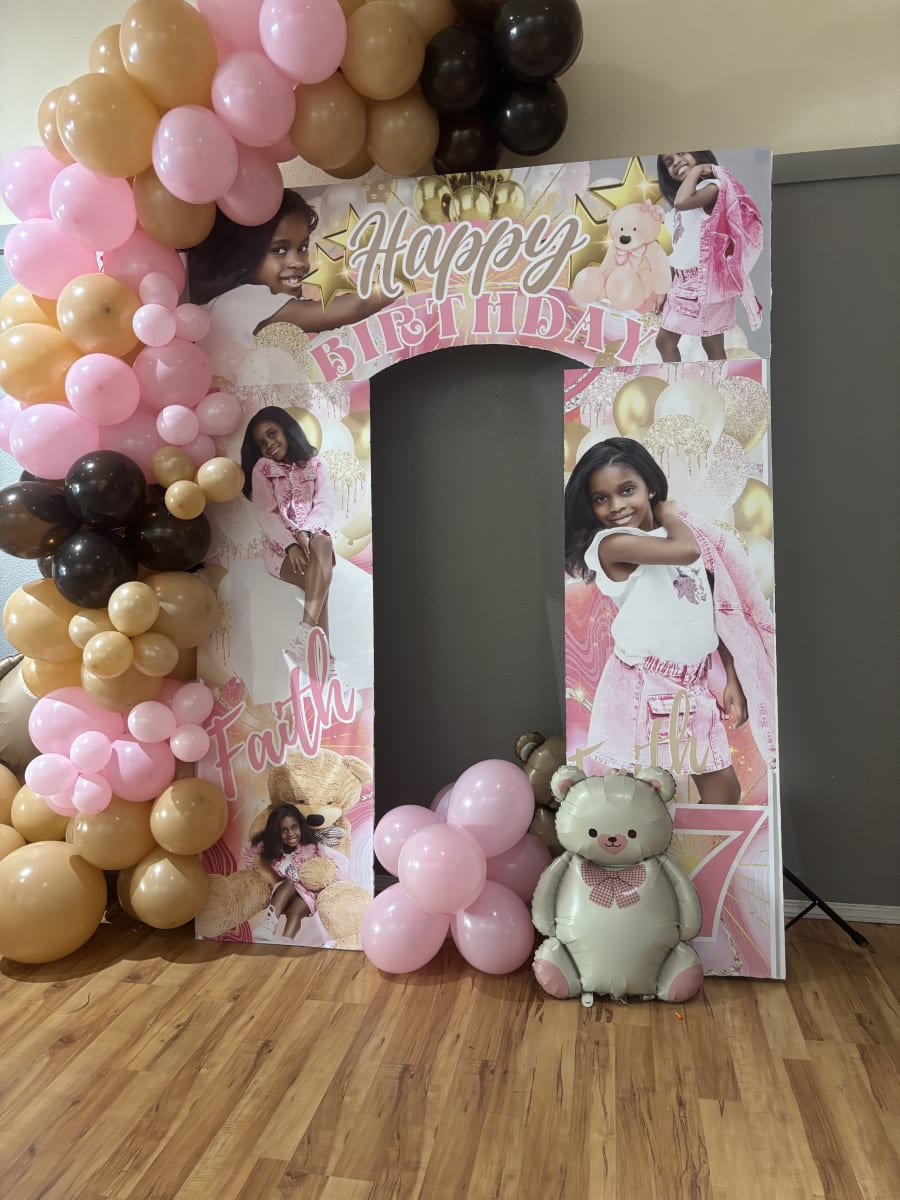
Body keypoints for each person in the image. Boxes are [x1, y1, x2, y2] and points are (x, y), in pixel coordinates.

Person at [565, 437, 776, 804]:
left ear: (649, 485)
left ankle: (696, 846)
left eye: (626, 490)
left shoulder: (679, 536)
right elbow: (685, 550)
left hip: (693, 683)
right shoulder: (610, 545)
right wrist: (669, 514)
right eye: (600, 498)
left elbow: (716, 611)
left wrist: (731, 675)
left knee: (725, 792)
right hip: (646, 684)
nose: (615, 506)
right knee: (639, 798)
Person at [186, 188, 389, 351]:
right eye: (279, 250)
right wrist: (400, 279)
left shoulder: (223, 304)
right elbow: (356, 306)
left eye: (302, 248)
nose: (299, 262)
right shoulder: (239, 302)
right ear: (244, 254)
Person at [654, 151, 764, 363]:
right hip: (683, 282)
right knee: (705, 345)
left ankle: (691, 381)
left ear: (699, 155)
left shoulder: (712, 187)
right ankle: (695, 381)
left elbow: (683, 201)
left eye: (681, 154)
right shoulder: (678, 211)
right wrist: (664, 289)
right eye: (669, 162)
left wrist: (698, 170)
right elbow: (677, 250)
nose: (676, 162)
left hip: (703, 283)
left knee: (696, 344)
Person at [240, 406, 335, 639]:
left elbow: (324, 504)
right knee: (320, 584)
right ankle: (321, 650)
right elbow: (267, 513)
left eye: (272, 434)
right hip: (281, 553)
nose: (269, 444)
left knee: (323, 542)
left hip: (313, 547)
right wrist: (290, 545)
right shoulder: (263, 468)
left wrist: (305, 532)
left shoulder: (316, 465)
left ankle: (306, 634)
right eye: (262, 443)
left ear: (287, 430)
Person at [246, 803, 348, 943]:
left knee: (295, 912)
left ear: (301, 826)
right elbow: (248, 851)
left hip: (308, 894)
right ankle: (268, 925)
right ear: (276, 832)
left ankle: (285, 941)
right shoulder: (274, 849)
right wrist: (258, 873)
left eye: (294, 827)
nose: (290, 834)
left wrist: (331, 885)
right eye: (283, 830)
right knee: (289, 883)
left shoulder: (312, 846)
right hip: (284, 894)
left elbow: (342, 861)